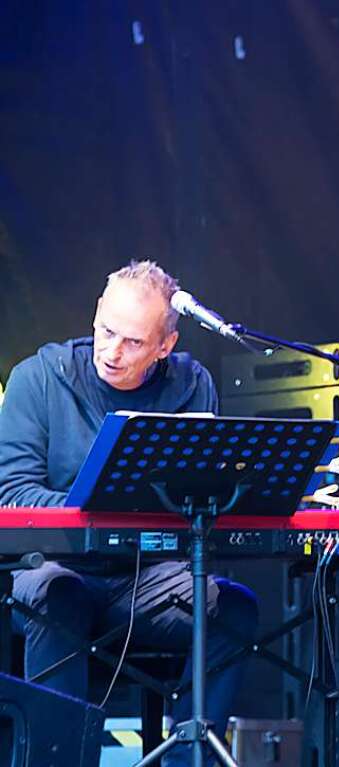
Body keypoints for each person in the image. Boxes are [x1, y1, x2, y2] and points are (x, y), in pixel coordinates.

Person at [0, 260, 258, 766]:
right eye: (106, 331)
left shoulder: (191, 386)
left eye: (134, 342)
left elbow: (203, 496)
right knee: (60, 595)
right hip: (55, 570)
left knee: (235, 609)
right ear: (96, 313)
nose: (112, 351)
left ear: (166, 345)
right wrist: (99, 508)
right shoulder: (39, 377)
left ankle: (188, 758)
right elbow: (12, 492)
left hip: (152, 578)